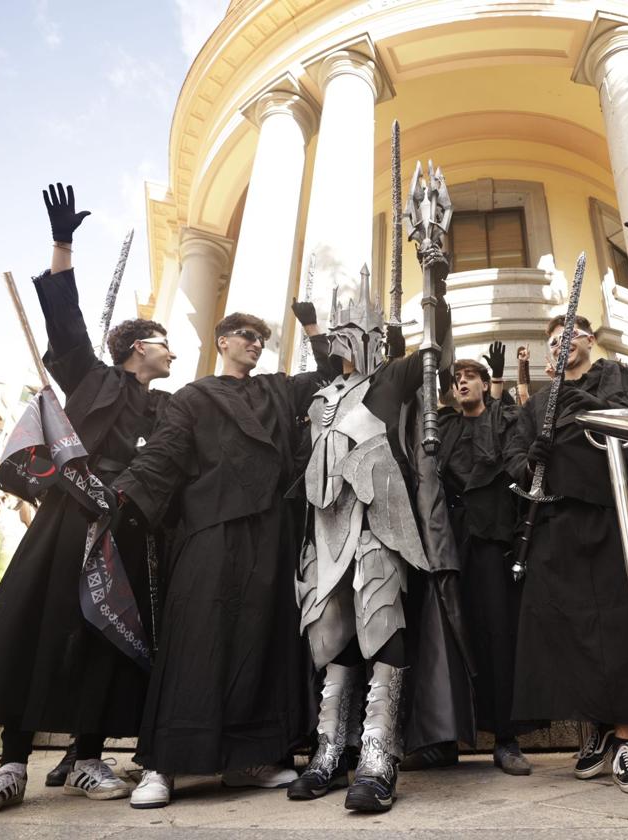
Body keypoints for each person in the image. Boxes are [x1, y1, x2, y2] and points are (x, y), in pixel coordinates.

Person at [0, 183, 175, 817]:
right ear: (136, 347)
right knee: (41, 623)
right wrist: (63, 244)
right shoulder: (91, 376)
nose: (171, 348)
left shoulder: (168, 407)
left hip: (125, 528)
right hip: (68, 518)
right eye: (162, 339)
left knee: (107, 636)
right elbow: (65, 318)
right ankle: (10, 768)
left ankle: (87, 756)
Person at [114, 306, 332, 809]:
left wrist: (313, 328)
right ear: (222, 342)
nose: (256, 343)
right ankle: (162, 766)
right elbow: (165, 454)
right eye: (246, 335)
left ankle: (247, 761)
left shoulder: (277, 389)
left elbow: (327, 372)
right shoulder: (193, 396)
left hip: (267, 532)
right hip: (209, 528)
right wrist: (122, 495)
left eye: (261, 337)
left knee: (258, 642)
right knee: (195, 639)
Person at [287, 270, 473, 813]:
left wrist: (434, 268)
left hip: (379, 523)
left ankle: (377, 753)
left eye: (354, 330)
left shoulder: (392, 378)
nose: (346, 340)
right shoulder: (321, 393)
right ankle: (328, 751)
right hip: (323, 529)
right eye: (337, 333)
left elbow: (437, 342)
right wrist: (314, 329)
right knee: (331, 633)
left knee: (380, 619)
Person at [504, 314, 628, 796]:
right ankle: (595, 736)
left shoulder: (617, 378)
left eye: (570, 336)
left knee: (623, 628)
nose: (562, 344)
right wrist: (533, 459)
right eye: (553, 340)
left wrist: (590, 408)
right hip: (558, 523)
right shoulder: (539, 402)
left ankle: (626, 743)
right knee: (569, 631)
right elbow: (512, 455)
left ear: (589, 341)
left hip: (616, 519)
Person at [437, 349, 533, 775]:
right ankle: (443, 738)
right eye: (458, 377)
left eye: (471, 376)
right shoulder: (443, 426)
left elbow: (509, 455)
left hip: (493, 537)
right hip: (450, 542)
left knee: (497, 634)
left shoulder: (502, 419)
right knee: (449, 637)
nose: (463, 382)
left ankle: (505, 738)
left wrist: (499, 388)